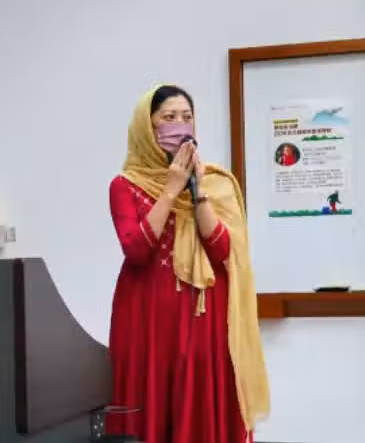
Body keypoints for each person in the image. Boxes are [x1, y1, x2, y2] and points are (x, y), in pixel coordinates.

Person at [106, 85, 270, 443]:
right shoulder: (124, 185)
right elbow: (136, 250)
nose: (180, 125)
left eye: (187, 117)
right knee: (150, 408)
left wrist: (197, 191)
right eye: (169, 117)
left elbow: (223, 250)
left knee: (201, 410)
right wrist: (170, 189)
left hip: (205, 321)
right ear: (147, 127)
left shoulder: (216, 182)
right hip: (147, 319)